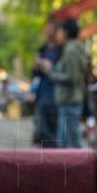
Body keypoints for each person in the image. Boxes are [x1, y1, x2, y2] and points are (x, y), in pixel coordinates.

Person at [47, 18, 87, 148]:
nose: (57, 34)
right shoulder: (75, 48)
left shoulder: (70, 50)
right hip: (71, 100)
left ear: (65, 32)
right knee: (66, 141)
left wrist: (50, 72)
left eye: (59, 31)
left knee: (70, 142)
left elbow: (72, 77)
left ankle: (81, 167)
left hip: (69, 100)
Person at [32, 18, 62, 147]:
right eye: (46, 29)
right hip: (43, 95)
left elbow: (61, 72)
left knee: (55, 132)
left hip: (57, 95)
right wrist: (36, 67)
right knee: (41, 132)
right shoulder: (42, 50)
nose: (47, 32)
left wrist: (49, 66)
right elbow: (35, 75)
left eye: (50, 29)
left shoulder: (62, 50)